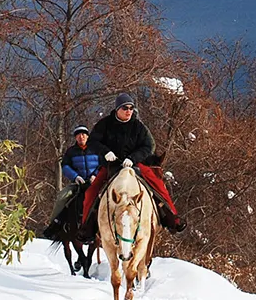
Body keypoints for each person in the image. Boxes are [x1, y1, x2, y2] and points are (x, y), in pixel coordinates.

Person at [77, 92, 186, 241]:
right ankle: (86, 228)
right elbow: (92, 142)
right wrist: (105, 152)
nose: (128, 111)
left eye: (131, 108)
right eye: (125, 108)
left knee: (158, 185)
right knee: (91, 192)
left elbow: (149, 146)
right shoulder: (104, 124)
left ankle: (173, 218)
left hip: (134, 164)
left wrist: (133, 158)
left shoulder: (138, 127)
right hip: (110, 166)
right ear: (117, 109)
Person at [40, 125, 98, 240]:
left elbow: (103, 164)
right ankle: (54, 225)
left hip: (96, 183)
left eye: (83, 134)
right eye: (78, 135)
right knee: (62, 197)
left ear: (87, 136)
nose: (81, 137)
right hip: (78, 184)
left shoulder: (97, 149)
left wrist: (95, 175)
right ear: (76, 138)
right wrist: (75, 177)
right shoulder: (71, 152)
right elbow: (65, 166)